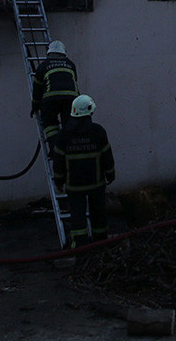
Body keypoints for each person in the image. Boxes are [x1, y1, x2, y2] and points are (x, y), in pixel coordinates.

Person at [49, 95, 115, 248]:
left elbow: (58, 162)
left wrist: (58, 180)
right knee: (98, 214)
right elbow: (107, 157)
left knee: (77, 217)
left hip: (74, 187)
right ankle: (101, 243)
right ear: (89, 112)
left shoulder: (63, 135)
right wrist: (110, 174)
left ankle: (79, 245)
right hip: (96, 184)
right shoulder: (98, 132)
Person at [32, 40, 79, 141]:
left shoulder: (43, 65)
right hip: (71, 99)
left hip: (51, 100)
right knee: (69, 123)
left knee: (49, 123)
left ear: (49, 52)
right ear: (64, 52)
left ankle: (55, 148)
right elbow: (74, 82)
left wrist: (35, 104)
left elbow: (37, 87)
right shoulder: (71, 64)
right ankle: (67, 147)